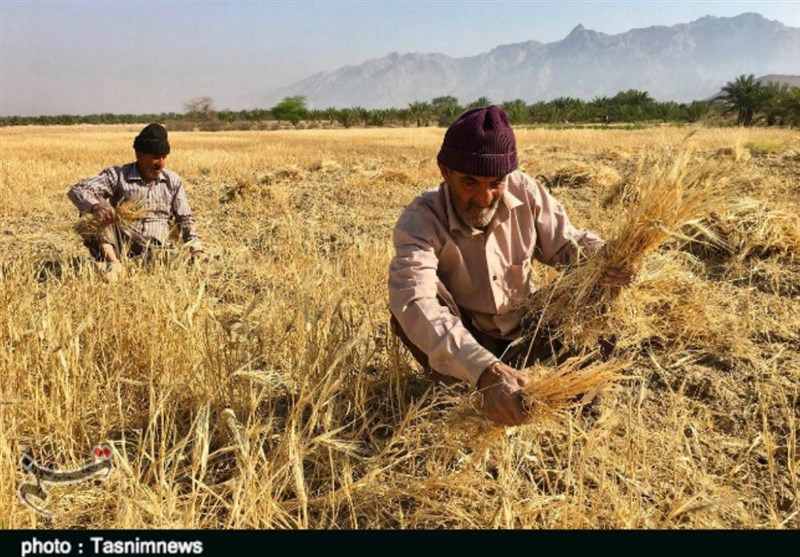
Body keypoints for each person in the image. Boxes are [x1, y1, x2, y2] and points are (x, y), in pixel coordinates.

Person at [388, 106, 636, 426]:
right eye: (469, 183)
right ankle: (463, 393)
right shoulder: (421, 220)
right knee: (407, 308)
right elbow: (415, 301)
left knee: (599, 291)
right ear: (444, 172)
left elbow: (566, 244)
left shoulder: (524, 191)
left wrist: (608, 258)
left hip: (527, 334)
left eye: (496, 183)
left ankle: (581, 409)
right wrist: (483, 369)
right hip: (469, 342)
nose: (483, 198)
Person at [67, 123, 204, 279]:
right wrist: (97, 207)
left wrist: (195, 248)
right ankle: (113, 264)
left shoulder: (172, 181)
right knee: (90, 209)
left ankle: (148, 266)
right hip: (121, 243)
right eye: (154, 157)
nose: (160, 163)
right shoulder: (118, 176)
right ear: (139, 155)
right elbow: (78, 190)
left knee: (172, 260)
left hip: (157, 248)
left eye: (163, 157)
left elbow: (184, 218)